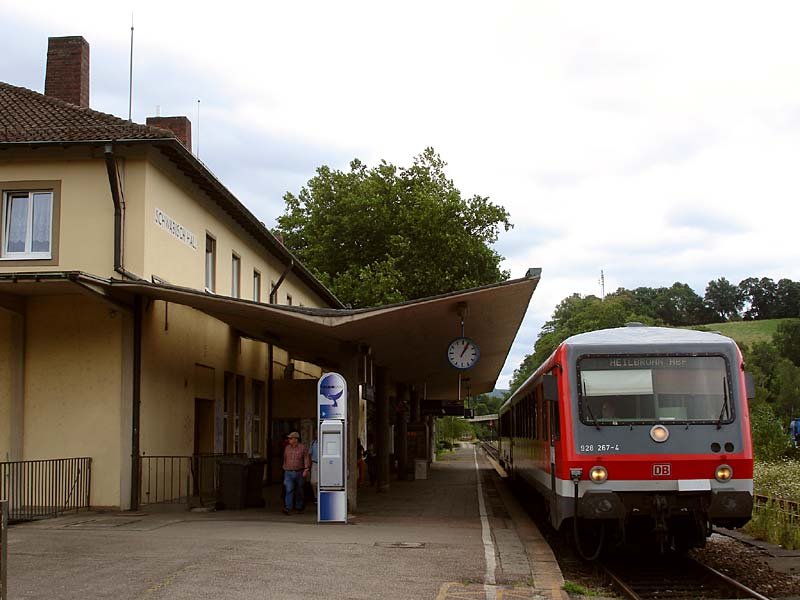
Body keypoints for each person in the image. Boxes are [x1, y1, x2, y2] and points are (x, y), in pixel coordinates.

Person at [282, 431, 310, 515]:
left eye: (290, 438)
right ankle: (288, 507)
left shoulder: (303, 448)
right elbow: (285, 458)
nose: (289, 440)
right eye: (289, 438)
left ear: (296, 439)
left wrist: (306, 469)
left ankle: (299, 506)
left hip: (299, 472)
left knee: (299, 490)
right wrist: (284, 468)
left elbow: (306, 458)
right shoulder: (287, 448)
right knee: (289, 489)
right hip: (288, 472)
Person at [309, 432, 319, 503]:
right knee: (313, 482)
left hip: (322, 464)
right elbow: (310, 454)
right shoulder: (313, 443)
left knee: (321, 482)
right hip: (314, 463)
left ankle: (319, 496)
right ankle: (315, 496)